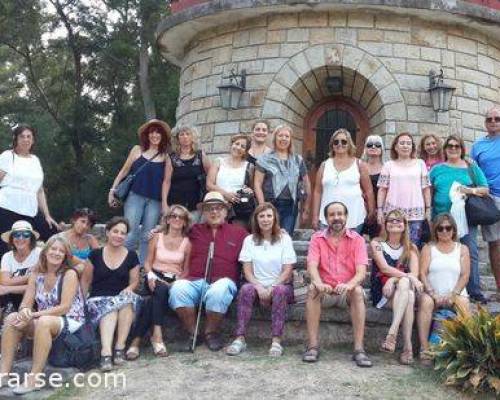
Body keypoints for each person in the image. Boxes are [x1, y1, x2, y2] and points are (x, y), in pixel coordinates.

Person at [0, 236, 84, 394]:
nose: (57, 253)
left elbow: (64, 307)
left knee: (43, 321)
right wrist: (25, 311)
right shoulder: (36, 273)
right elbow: (26, 301)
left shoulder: (69, 274)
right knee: (12, 318)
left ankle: (34, 378)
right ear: (45, 252)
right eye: (53, 249)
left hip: (70, 320)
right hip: (43, 317)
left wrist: (34, 315)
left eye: (61, 251)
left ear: (66, 256)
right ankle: (4, 374)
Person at [168, 191, 248, 351]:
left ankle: (211, 332)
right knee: (178, 289)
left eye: (219, 208)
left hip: (223, 281)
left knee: (219, 291)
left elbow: (259, 241)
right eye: (210, 209)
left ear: (226, 211)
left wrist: (278, 232)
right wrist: (156, 231)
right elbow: (171, 233)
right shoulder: (193, 230)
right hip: (195, 281)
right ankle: (193, 333)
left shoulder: (239, 233)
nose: (214, 212)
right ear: (203, 212)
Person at [302, 202, 372, 367]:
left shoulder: (357, 240)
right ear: (326, 218)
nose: (336, 218)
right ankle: (312, 346)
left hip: (346, 292)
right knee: (312, 289)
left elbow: (361, 272)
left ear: (346, 217)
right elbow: (312, 265)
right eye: (332, 215)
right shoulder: (317, 238)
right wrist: (318, 283)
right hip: (325, 290)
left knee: (357, 291)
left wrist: (349, 285)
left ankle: (359, 349)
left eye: (340, 214)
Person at [226, 203, 296, 357]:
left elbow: (288, 270)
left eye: (269, 216)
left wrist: (272, 286)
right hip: (256, 285)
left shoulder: (285, 239)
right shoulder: (249, 240)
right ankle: (240, 338)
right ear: (256, 220)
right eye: (261, 216)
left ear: (275, 218)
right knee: (245, 289)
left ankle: (276, 341)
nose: (265, 220)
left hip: (280, 286)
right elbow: (247, 270)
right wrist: (258, 286)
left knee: (280, 291)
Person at [429, 135, 489, 304]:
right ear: (445, 149)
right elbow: (429, 192)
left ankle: (474, 291)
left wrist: (468, 191)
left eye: (456, 146)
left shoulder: (471, 168)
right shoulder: (436, 169)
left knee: (470, 252)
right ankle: (439, 291)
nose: (453, 148)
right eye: (450, 146)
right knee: (439, 253)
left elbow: (485, 189)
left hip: (466, 218)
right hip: (441, 219)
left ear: (462, 149)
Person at [127, 205, 191, 360]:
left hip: (174, 280)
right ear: (167, 219)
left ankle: (135, 342)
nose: (176, 219)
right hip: (154, 276)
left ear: (185, 222)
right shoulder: (157, 237)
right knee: (158, 292)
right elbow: (148, 262)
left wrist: (178, 282)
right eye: (173, 216)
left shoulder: (188, 242)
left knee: (153, 300)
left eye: (181, 217)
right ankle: (157, 336)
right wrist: (150, 275)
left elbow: (186, 269)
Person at [108, 119, 171, 265]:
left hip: (155, 201)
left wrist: (165, 204)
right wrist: (112, 189)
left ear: (162, 136)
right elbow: (123, 171)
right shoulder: (137, 150)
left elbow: (166, 182)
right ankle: (122, 265)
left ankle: (143, 268)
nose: (155, 135)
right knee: (129, 233)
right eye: (151, 132)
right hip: (135, 197)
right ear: (147, 135)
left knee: (147, 236)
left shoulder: (166, 156)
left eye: (158, 132)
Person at [84, 217, 140, 371]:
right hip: (98, 300)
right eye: (115, 231)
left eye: (123, 233)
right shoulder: (94, 254)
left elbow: (135, 282)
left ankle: (119, 348)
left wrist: (130, 288)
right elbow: (85, 282)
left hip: (121, 297)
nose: (119, 235)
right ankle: (106, 352)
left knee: (127, 303)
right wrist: (80, 305)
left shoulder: (131, 256)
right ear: (107, 232)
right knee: (111, 309)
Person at [417, 213, 471, 364]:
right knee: (426, 302)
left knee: (464, 303)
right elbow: (422, 273)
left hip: (455, 293)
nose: (444, 231)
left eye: (448, 228)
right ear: (435, 230)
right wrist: (433, 294)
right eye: (440, 228)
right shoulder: (429, 248)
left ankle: (467, 349)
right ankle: (425, 348)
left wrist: (454, 294)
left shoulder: (462, 249)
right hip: (433, 293)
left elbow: (465, 275)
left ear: (454, 230)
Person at [370, 210, 422, 365]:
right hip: (382, 292)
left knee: (408, 291)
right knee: (407, 287)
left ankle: (392, 335)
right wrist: (395, 279)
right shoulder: (377, 244)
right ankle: (407, 348)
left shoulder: (411, 248)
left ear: (405, 225)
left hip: (401, 293)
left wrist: (394, 279)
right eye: (391, 220)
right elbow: (384, 268)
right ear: (385, 225)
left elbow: (415, 273)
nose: (394, 223)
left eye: (399, 220)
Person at [0, 124, 59, 258]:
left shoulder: (35, 160)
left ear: (33, 140)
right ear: (15, 138)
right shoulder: (8, 156)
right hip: (7, 208)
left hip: (30, 210)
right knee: (5, 249)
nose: (26, 140)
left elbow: (39, 190)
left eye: (29, 137)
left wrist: (47, 215)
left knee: (53, 234)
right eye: (22, 136)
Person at [311, 129, 375, 233]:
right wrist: (315, 216)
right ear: (332, 145)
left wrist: (371, 211)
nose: (339, 144)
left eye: (344, 141)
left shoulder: (359, 164)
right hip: (328, 217)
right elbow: (317, 192)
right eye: (336, 142)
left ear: (349, 144)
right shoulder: (324, 165)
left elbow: (369, 190)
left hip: (354, 216)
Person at [254, 125, 311, 235]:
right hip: (270, 204)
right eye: (280, 136)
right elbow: (257, 183)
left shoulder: (297, 160)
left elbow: (306, 183)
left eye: (287, 136)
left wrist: (306, 208)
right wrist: (263, 206)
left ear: (290, 140)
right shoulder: (264, 159)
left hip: (290, 206)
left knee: (285, 237)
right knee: (268, 236)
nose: (283, 139)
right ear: (275, 138)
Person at [378, 132, 431, 248]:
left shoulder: (420, 164)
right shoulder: (388, 165)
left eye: (408, 143)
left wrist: (428, 209)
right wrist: (380, 210)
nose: (405, 146)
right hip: (393, 214)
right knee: (393, 246)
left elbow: (426, 189)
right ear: (395, 147)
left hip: (415, 215)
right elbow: (382, 189)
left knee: (413, 247)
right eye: (402, 143)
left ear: (412, 147)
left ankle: (412, 267)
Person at [471, 106, 500, 301]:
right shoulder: (478, 145)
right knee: (495, 243)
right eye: (489, 119)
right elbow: (472, 171)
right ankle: (499, 288)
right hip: (491, 200)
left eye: (497, 119)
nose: (493, 122)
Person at [162, 125, 211, 223]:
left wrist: (206, 201)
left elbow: (211, 178)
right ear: (177, 138)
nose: (185, 137)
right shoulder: (171, 158)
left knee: (193, 234)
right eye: (182, 134)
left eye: (188, 134)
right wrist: (164, 204)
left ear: (192, 137)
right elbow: (166, 182)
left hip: (195, 206)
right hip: (175, 206)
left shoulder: (200, 155)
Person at [207, 134, 254, 227]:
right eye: (237, 144)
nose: (238, 147)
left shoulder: (249, 166)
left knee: (236, 238)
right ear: (231, 145)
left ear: (245, 151)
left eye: (243, 146)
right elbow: (209, 185)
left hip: (238, 210)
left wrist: (249, 190)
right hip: (217, 206)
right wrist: (226, 194)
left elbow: (251, 188)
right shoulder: (218, 162)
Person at [0, 221, 42, 318]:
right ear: (12, 238)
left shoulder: (39, 253)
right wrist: (31, 276)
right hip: (10, 298)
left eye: (26, 235)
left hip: (34, 299)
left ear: (31, 238)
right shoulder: (7, 256)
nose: (21, 238)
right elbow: (4, 281)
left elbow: (39, 285)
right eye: (16, 235)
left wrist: (8, 288)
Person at [363, 135, 384, 237]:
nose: (373, 147)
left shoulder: (386, 168)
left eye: (377, 145)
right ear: (365, 149)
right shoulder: (359, 167)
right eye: (369, 145)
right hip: (361, 209)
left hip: (380, 211)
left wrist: (378, 209)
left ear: (382, 149)